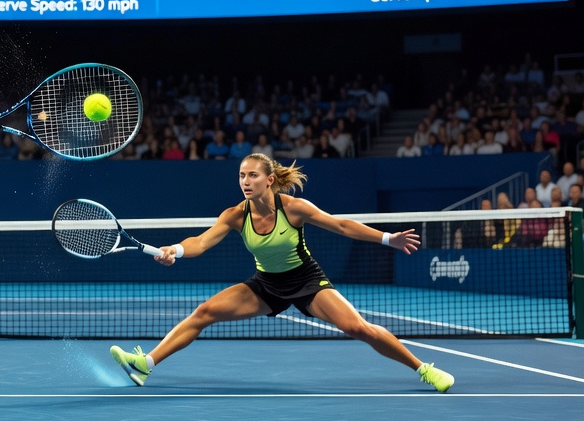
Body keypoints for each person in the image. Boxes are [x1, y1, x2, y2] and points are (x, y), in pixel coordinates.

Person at [109, 153, 454, 393]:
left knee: (357, 327)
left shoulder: (294, 209)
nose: (245, 181)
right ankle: (145, 364)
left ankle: (424, 369)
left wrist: (388, 238)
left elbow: (341, 225)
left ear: (270, 180)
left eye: (252, 175)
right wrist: (176, 249)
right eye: (241, 175)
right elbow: (201, 241)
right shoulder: (235, 214)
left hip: (307, 281)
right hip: (266, 285)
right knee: (204, 312)